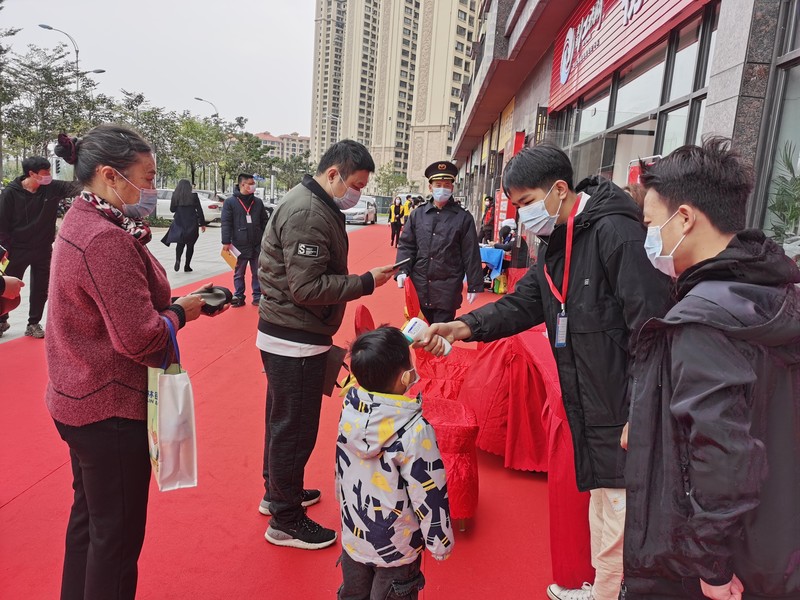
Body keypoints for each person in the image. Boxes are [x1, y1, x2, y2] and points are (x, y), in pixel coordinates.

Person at [419, 145, 672, 600]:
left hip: (622, 404)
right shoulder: (561, 236)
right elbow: (527, 301)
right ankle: (602, 590)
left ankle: (612, 592)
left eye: (526, 202)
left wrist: (643, 409)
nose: (522, 215)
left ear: (558, 189)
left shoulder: (616, 233)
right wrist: (463, 326)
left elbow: (651, 330)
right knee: (603, 506)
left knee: (621, 515)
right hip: (591, 398)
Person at [622, 138, 800, 599]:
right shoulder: (772, 290)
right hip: (774, 543)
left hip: (724, 563)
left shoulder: (703, 317)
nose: (649, 239)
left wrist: (711, 566)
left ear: (684, 218)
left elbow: (724, 452)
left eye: (651, 224)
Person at [47, 125, 218, 600]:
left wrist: (175, 306)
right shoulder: (105, 239)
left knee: (91, 525)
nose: (153, 189)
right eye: (148, 177)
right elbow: (140, 339)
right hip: (109, 409)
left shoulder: (85, 219)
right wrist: (181, 313)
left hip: (78, 396)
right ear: (110, 175)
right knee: (116, 541)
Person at [257, 139, 398, 550]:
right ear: (333, 173)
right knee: (294, 429)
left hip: (293, 332)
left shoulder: (314, 203)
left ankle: (277, 493)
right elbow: (307, 288)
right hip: (295, 338)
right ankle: (285, 519)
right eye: (356, 185)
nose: (357, 194)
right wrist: (365, 282)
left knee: (283, 423)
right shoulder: (308, 212)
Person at [337, 326, 453, 600]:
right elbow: (429, 489)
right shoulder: (415, 430)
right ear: (405, 377)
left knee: (354, 593)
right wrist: (440, 541)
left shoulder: (349, 410)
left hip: (355, 532)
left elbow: (342, 470)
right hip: (397, 541)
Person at [0, 156, 81, 338]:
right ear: (32, 174)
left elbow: (77, 187)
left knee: (41, 288)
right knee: (6, 286)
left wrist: (83, 163)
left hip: (43, 248)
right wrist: (5, 251)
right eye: (45, 172)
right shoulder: (10, 193)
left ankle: (33, 323)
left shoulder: (52, 188)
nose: (49, 175)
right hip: (16, 249)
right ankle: (1, 319)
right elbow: (2, 225)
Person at [395, 160, 483, 324]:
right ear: (430, 187)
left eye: (446, 185)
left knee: (441, 335)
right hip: (419, 286)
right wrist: (401, 270)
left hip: (447, 289)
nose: (442, 188)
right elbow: (407, 245)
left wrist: (474, 284)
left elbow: (470, 252)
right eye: (438, 185)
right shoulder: (418, 215)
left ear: (452, 188)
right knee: (418, 332)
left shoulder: (463, 217)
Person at [221, 173, 269, 307]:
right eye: (251, 184)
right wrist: (226, 241)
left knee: (257, 272)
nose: (254, 186)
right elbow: (226, 223)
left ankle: (257, 296)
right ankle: (239, 296)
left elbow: (265, 221)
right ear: (243, 184)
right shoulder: (230, 202)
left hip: (256, 243)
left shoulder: (257, 202)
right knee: (239, 272)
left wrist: (266, 238)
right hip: (238, 244)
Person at [161, 179, 208, 272]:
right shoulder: (194, 196)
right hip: (192, 222)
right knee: (190, 244)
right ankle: (187, 266)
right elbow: (199, 210)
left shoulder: (175, 195)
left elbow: (172, 209)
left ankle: (178, 259)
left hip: (179, 222)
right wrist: (202, 223)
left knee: (180, 242)